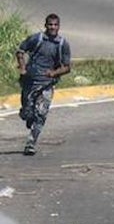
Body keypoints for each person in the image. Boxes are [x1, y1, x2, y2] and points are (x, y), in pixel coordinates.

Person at [15, 13, 72, 156]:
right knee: (27, 112)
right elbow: (20, 50)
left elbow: (67, 67)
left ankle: (31, 143)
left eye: (55, 25)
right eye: (50, 25)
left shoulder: (62, 44)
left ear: (59, 26)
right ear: (45, 25)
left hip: (47, 84)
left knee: (41, 113)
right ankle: (28, 116)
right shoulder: (37, 39)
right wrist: (22, 68)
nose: (53, 27)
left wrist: (54, 73)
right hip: (30, 81)